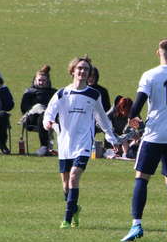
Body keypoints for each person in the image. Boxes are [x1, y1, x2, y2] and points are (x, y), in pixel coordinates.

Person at [120, 38, 167, 242]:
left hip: (154, 134)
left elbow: (136, 108)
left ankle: (137, 225)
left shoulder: (150, 75)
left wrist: (133, 120)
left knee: (141, 178)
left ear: (158, 53)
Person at [43, 56, 119, 229]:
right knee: (65, 183)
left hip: (84, 143)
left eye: (86, 69)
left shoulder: (93, 94)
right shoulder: (62, 93)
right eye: (80, 68)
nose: (83, 71)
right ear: (73, 71)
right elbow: (49, 113)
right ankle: (75, 208)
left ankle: (67, 219)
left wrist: (111, 137)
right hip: (65, 143)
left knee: (74, 176)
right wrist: (47, 122)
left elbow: (102, 119)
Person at [20, 65, 56, 156]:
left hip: (50, 119)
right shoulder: (29, 92)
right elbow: (24, 108)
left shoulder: (53, 92)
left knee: (44, 115)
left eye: (44, 80)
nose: (41, 82)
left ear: (47, 81)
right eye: (39, 80)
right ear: (35, 80)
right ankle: (44, 145)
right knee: (42, 114)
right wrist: (37, 108)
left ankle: (48, 147)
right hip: (32, 118)